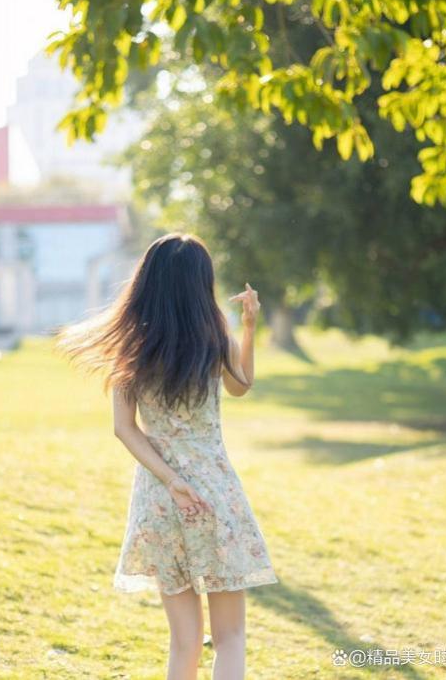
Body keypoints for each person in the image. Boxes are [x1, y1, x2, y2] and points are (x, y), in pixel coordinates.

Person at [55, 232, 278, 680]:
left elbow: (124, 428)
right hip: (214, 493)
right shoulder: (213, 332)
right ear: (201, 282)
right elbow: (241, 385)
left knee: (183, 642)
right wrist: (249, 327)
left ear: (147, 281)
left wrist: (171, 481)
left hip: (159, 499)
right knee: (230, 639)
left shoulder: (132, 346)